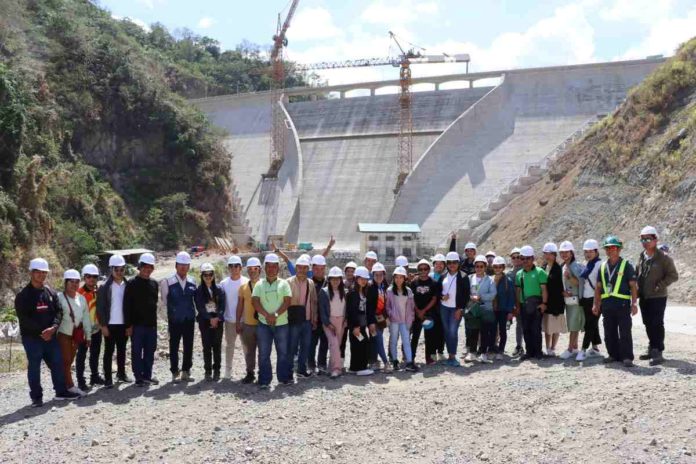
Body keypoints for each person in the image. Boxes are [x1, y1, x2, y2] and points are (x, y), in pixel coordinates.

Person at [16, 258, 80, 406]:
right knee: (34, 367)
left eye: (44, 272)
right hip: (32, 339)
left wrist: (53, 328)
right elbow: (24, 319)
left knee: (57, 363)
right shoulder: (23, 295)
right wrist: (42, 331)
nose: (41, 275)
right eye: (38, 272)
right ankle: (37, 398)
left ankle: (61, 391)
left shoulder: (50, 292)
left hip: (51, 336)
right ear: (31, 273)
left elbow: (58, 312)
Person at [592, 236, 639, 367]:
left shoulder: (626, 265)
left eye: (613, 247)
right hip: (607, 306)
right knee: (609, 331)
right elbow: (598, 287)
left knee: (624, 331)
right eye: (607, 248)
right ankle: (613, 355)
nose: (610, 250)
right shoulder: (602, 267)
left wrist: (634, 303)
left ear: (618, 249)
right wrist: (596, 304)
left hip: (622, 305)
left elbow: (633, 286)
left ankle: (627, 357)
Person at [636, 226, 679, 365]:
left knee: (656, 323)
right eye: (642, 239)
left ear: (655, 239)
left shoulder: (663, 258)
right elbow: (638, 273)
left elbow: (673, 275)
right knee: (647, 322)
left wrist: (660, 285)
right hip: (644, 296)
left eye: (648, 238)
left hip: (658, 296)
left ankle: (658, 351)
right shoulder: (642, 256)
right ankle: (652, 348)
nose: (645, 242)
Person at [253, 253, 293, 389]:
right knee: (264, 353)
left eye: (274, 266)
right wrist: (267, 315)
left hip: (281, 324)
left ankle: (283, 378)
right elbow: (255, 302)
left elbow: (287, 301)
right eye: (268, 266)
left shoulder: (284, 284)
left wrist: (275, 315)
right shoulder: (259, 284)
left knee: (283, 352)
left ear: (278, 268)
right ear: (264, 268)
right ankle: (264, 380)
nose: (271, 269)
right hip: (264, 324)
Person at [161, 251, 198, 383]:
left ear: (189, 267)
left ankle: (186, 371)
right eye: (181, 265)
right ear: (176, 266)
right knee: (174, 346)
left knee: (189, 345)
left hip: (189, 319)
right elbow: (165, 301)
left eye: (186, 265)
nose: (183, 267)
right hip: (175, 320)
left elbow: (195, 300)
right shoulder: (167, 282)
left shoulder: (193, 281)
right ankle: (174, 372)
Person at [124, 253, 159, 387]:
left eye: (150, 267)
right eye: (145, 267)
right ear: (139, 267)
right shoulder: (131, 283)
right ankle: (138, 377)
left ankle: (147, 376)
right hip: (137, 326)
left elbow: (154, 304)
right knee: (137, 352)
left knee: (150, 351)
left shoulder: (154, 284)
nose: (147, 269)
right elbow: (127, 306)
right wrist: (128, 325)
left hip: (151, 325)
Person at [97, 254, 131, 388]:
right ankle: (108, 378)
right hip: (110, 325)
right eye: (116, 269)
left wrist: (129, 325)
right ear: (111, 270)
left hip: (123, 324)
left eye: (121, 269)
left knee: (122, 350)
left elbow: (130, 306)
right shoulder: (104, 287)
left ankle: (121, 374)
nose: (119, 272)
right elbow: (100, 308)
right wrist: (103, 326)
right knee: (108, 352)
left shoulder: (127, 284)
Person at [57, 269, 92, 396]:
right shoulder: (59, 298)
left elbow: (86, 318)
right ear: (65, 282)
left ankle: (65, 385)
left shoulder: (81, 299)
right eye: (71, 281)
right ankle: (70, 386)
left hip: (75, 335)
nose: (74, 284)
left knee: (70, 360)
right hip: (63, 335)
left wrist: (88, 335)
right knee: (66, 361)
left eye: (77, 281)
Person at [287, 255, 318, 379]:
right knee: (292, 347)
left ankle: (301, 369)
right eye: (300, 267)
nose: (302, 270)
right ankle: (288, 372)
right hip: (293, 320)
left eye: (305, 268)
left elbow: (314, 301)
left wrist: (314, 318)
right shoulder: (288, 282)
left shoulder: (311, 283)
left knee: (305, 346)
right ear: (296, 268)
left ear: (308, 269)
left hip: (307, 320)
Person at [438, 251, 471, 367]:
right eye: (450, 262)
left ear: (458, 263)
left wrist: (460, 309)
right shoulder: (443, 276)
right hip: (444, 308)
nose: (452, 265)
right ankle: (450, 356)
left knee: (453, 332)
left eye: (454, 262)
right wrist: (442, 297)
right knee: (447, 331)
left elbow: (467, 295)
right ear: (447, 263)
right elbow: (438, 292)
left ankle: (452, 356)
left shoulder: (463, 276)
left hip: (455, 309)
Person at [515, 246, 548, 361]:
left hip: (537, 305)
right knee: (526, 329)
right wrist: (518, 306)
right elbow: (518, 292)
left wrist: (544, 303)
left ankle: (538, 352)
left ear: (532, 258)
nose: (525, 261)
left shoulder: (540, 272)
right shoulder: (519, 274)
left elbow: (544, 289)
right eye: (523, 259)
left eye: (527, 259)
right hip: (524, 306)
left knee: (536, 329)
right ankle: (529, 352)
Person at [195, 263, 225, 381]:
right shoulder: (199, 291)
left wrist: (217, 318)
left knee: (217, 346)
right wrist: (210, 318)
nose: (208, 277)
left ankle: (217, 369)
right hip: (205, 322)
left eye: (210, 274)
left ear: (213, 275)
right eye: (205, 274)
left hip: (218, 322)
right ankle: (208, 371)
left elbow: (223, 306)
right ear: (201, 276)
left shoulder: (219, 289)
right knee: (206, 347)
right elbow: (200, 307)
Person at [75, 264, 104, 390]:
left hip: (96, 329)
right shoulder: (79, 294)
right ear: (84, 277)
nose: (92, 279)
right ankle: (81, 381)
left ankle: (95, 376)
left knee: (95, 354)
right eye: (89, 276)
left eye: (94, 276)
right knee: (81, 355)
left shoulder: (97, 291)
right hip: (83, 331)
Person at [219, 255, 247, 379]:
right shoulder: (223, 283)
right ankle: (228, 370)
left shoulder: (246, 282)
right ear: (228, 267)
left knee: (246, 346)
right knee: (229, 346)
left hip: (244, 321)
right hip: (229, 320)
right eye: (231, 266)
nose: (234, 268)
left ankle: (249, 370)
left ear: (241, 267)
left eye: (236, 266)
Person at [386, 267, 418, 371]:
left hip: (405, 321)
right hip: (394, 321)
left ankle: (409, 362)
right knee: (394, 341)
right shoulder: (390, 291)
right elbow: (387, 306)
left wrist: (411, 319)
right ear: (394, 278)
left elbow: (411, 307)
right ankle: (394, 360)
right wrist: (391, 315)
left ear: (404, 278)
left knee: (406, 341)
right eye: (396, 277)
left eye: (401, 277)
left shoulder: (408, 291)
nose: (398, 279)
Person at [558, 241, 586, 360]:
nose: (564, 254)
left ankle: (570, 348)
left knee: (574, 324)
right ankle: (574, 347)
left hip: (576, 299)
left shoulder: (576, 265)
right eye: (562, 252)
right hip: (569, 299)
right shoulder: (564, 265)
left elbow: (580, 283)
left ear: (571, 252)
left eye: (566, 252)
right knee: (572, 322)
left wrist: (569, 276)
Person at [319, 267, 347, 378]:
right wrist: (328, 324)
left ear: (340, 279)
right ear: (329, 279)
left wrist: (345, 320)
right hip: (329, 322)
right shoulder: (324, 292)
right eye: (333, 279)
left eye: (337, 279)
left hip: (341, 321)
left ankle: (331, 367)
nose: (335, 281)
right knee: (334, 344)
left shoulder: (344, 292)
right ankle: (337, 369)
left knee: (336, 345)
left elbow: (346, 308)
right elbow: (322, 310)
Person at [236, 257, 262, 384]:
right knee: (249, 352)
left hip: (262, 325)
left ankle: (262, 373)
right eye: (250, 269)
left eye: (255, 269)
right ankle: (250, 373)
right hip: (248, 325)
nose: (252, 271)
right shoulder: (243, 287)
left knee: (263, 351)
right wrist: (237, 322)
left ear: (259, 270)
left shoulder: (264, 285)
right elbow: (240, 306)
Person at [346, 266, 375, 375]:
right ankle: (360, 368)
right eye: (361, 278)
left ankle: (355, 367)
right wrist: (355, 326)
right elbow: (352, 311)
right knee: (361, 344)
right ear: (356, 278)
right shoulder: (353, 292)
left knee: (361, 343)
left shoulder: (363, 291)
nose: (363, 281)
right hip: (356, 325)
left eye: (365, 279)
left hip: (361, 324)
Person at [467, 255, 496, 363]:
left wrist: (481, 297)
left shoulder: (490, 280)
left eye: (481, 266)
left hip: (486, 309)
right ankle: (472, 353)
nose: (479, 268)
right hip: (473, 309)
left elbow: (493, 294)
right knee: (473, 331)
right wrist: (471, 297)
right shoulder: (470, 278)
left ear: (485, 267)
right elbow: (466, 292)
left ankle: (483, 353)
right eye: (477, 266)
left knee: (485, 331)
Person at [410, 259, 439, 365]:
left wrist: (424, 311)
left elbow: (434, 299)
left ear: (428, 269)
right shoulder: (413, 283)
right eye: (420, 269)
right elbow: (411, 298)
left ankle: (429, 358)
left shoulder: (433, 283)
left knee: (429, 336)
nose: (423, 271)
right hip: (417, 314)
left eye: (425, 269)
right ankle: (411, 357)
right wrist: (418, 311)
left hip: (428, 314)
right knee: (415, 336)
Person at [578, 239, 602, 361]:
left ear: (596, 251)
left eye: (590, 251)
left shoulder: (600, 264)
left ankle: (583, 349)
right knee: (592, 323)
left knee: (590, 324)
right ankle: (595, 347)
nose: (588, 254)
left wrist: (598, 302)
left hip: (595, 298)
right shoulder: (587, 264)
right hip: (586, 298)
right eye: (586, 251)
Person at [541, 243, 567, 357]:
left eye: (549, 254)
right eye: (545, 253)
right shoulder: (543, 267)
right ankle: (547, 348)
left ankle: (553, 347)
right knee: (547, 327)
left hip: (557, 302)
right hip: (547, 301)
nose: (547, 256)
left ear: (554, 254)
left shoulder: (559, 268)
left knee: (556, 327)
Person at [367, 263, 390, 371]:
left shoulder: (384, 286)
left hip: (381, 319)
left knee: (375, 340)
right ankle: (386, 362)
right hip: (373, 320)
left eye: (381, 275)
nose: (379, 277)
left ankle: (373, 362)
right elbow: (369, 307)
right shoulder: (370, 287)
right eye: (376, 275)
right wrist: (371, 322)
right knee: (378, 339)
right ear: (373, 275)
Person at [308, 254, 329, 374]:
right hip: (313, 320)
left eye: (321, 269)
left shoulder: (329, 282)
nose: (319, 271)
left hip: (325, 319)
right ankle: (311, 365)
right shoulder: (309, 283)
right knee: (312, 343)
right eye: (316, 269)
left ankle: (322, 364)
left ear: (325, 268)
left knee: (324, 343)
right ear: (312, 269)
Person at [492, 256, 515, 360]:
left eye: (500, 267)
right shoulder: (490, 279)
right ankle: (493, 348)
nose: (498, 269)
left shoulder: (508, 281)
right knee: (492, 330)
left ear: (503, 267)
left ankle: (501, 350)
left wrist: (510, 311)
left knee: (502, 330)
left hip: (503, 309)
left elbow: (511, 297)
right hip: (492, 309)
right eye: (495, 267)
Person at [429, 254, 447, 361]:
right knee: (432, 330)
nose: (439, 266)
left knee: (442, 330)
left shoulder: (447, 277)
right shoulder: (430, 277)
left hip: (443, 307)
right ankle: (432, 352)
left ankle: (440, 351)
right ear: (434, 265)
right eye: (437, 264)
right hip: (432, 308)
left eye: (441, 264)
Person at [508, 248, 525, 357]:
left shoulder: (526, 270)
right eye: (514, 257)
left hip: (525, 301)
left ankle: (524, 346)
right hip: (513, 303)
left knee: (523, 324)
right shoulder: (509, 274)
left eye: (518, 257)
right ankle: (519, 345)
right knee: (517, 325)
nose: (516, 259)